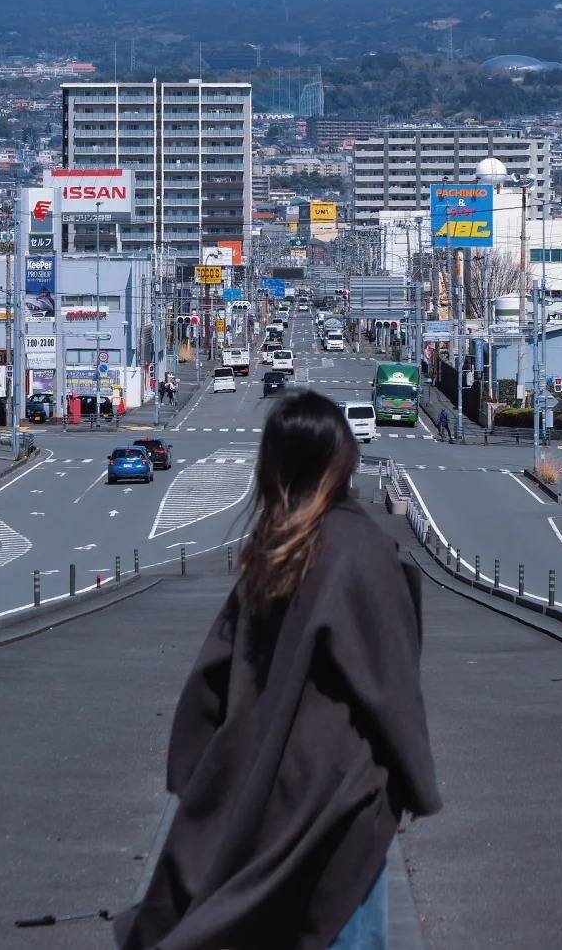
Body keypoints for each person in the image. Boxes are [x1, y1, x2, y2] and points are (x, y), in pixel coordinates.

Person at [116, 391, 440, 950]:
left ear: (272, 467)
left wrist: (198, 776)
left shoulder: (271, 550)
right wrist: (416, 783)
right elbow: (391, 686)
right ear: (343, 460)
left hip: (266, 791)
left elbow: (215, 674)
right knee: (343, 926)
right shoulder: (360, 548)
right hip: (342, 794)